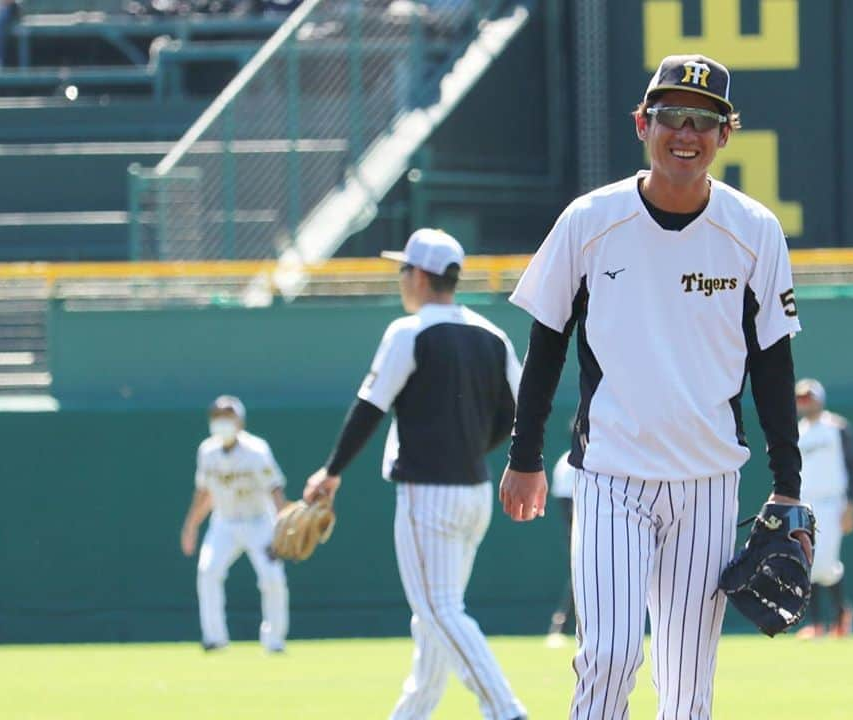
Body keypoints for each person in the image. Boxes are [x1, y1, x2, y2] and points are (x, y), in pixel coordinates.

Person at [498, 54, 813, 718]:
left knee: (687, 685)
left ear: (727, 134)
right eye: (671, 116)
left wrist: (788, 487)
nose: (686, 133)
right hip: (613, 475)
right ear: (643, 123)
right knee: (609, 657)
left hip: (707, 484)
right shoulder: (591, 220)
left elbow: (774, 365)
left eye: (704, 120)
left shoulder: (753, 231)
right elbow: (547, 343)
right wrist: (524, 458)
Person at [303, 229, 528, 720]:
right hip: (474, 494)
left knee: (440, 611)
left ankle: (506, 711)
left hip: (428, 495)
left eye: (403, 269)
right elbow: (520, 412)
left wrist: (332, 471)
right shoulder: (494, 335)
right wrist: (474, 446)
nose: (401, 278)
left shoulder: (410, 331)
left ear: (422, 276)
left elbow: (369, 408)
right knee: (433, 621)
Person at [180, 395, 289, 653]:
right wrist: (191, 526)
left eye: (227, 416)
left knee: (272, 578)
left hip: (259, 522)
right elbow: (204, 493)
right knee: (208, 570)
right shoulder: (207, 450)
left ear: (239, 421)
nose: (222, 422)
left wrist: (283, 524)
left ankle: (274, 640)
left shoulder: (257, 450)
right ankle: (214, 638)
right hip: (224, 522)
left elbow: (275, 490)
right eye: (217, 416)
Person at [794, 378, 853, 638]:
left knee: (825, 563)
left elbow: (852, 465)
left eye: (808, 397)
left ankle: (842, 614)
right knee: (806, 561)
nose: (805, 402)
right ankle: (818, 623)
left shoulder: (837, 428)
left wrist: (851, 504)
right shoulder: (797, 432)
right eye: (800, 398)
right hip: (805, 502)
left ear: (819, 399)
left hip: (833, 502)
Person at [544, 446, 575, 649]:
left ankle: (560, 625)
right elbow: (568, 507)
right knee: (584, 573)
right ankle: (560, 626)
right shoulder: (568, 462)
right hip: (580, 525)